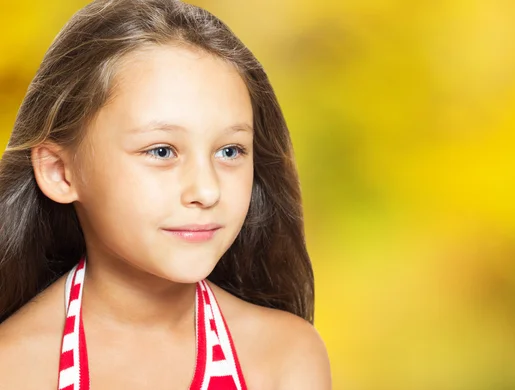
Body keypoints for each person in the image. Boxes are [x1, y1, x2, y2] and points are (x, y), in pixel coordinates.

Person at [0, 0, 331, 388]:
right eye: (161, 151)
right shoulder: (15, 369)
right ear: (60, 172)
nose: (206, 191)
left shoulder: (283, 358)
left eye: (230, 151)